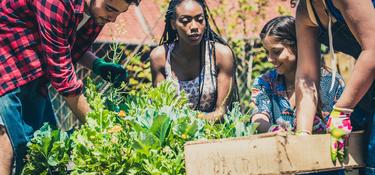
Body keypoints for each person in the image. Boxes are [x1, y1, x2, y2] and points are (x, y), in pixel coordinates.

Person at [0, 0, 141, 174]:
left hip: (35, 77)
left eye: (120, 13)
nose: (113, 19)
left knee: (43, 150)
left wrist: (97, 64)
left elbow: (69, 45)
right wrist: (101, 130)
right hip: (7, 67)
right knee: (12, 145)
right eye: (110, 9)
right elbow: (65, 83)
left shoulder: (97, 13)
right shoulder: (56, 3)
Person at [293, 0, 375, 173]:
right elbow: (306, 78)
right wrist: (303, 134)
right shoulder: (305, 12)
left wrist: (342, 110)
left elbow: (373, 50)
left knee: (371, 156)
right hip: (369, 84)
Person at [250, 16, 345, 136]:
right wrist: (273, 130)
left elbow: (340, 128)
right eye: (266, 52)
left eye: (276, 52)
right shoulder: (265, 82)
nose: (269, 59)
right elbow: (258, 119)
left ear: (298, 46)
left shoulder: (331, 83)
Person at [150, 0, 238, 121]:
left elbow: (221, 112)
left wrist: (189, 121)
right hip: (174, 134)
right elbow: (161, 109)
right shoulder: (160, 57)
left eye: (200, 20)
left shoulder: (220, 55)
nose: (194, 27)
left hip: (214, 133)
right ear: (173, 24)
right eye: (185, 21)